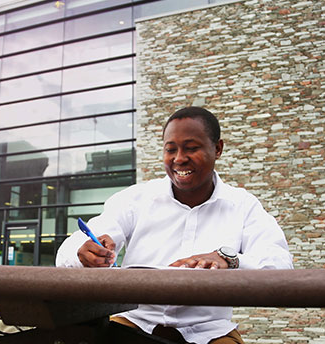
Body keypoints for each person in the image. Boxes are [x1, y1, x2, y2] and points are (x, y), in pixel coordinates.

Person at [55, 106, 293, 344]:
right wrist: (83, 251)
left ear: (218, 149)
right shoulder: (136, 199)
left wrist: (230, 259)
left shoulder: (242, 205)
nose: (179, 159)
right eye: (171, 149)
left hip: (209, 332)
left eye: (191, 148)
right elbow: (73, 247)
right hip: (134, 323)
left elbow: (281, 266)